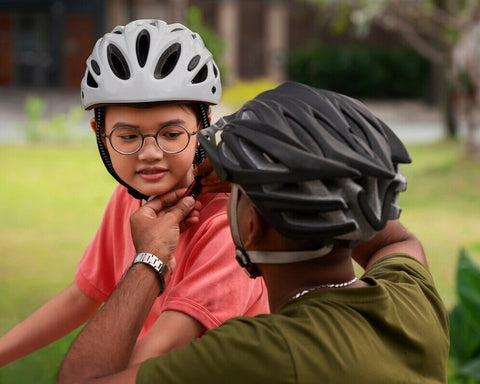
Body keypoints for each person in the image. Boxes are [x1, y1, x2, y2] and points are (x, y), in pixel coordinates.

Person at [57, 82, 449, 384]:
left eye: (239, 196)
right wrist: (284, 184)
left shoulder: (259, 352)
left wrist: (150, 259)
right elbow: (397, 241)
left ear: (251, 225)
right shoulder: (410, 300)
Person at [0, 19, 268, 368]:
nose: (150, 153)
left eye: (171, 134)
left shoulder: (226, 227)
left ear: (203, 127)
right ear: (100, 133)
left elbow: (155, 359)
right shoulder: (127, 200)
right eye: (128, 137)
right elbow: (84, 296)